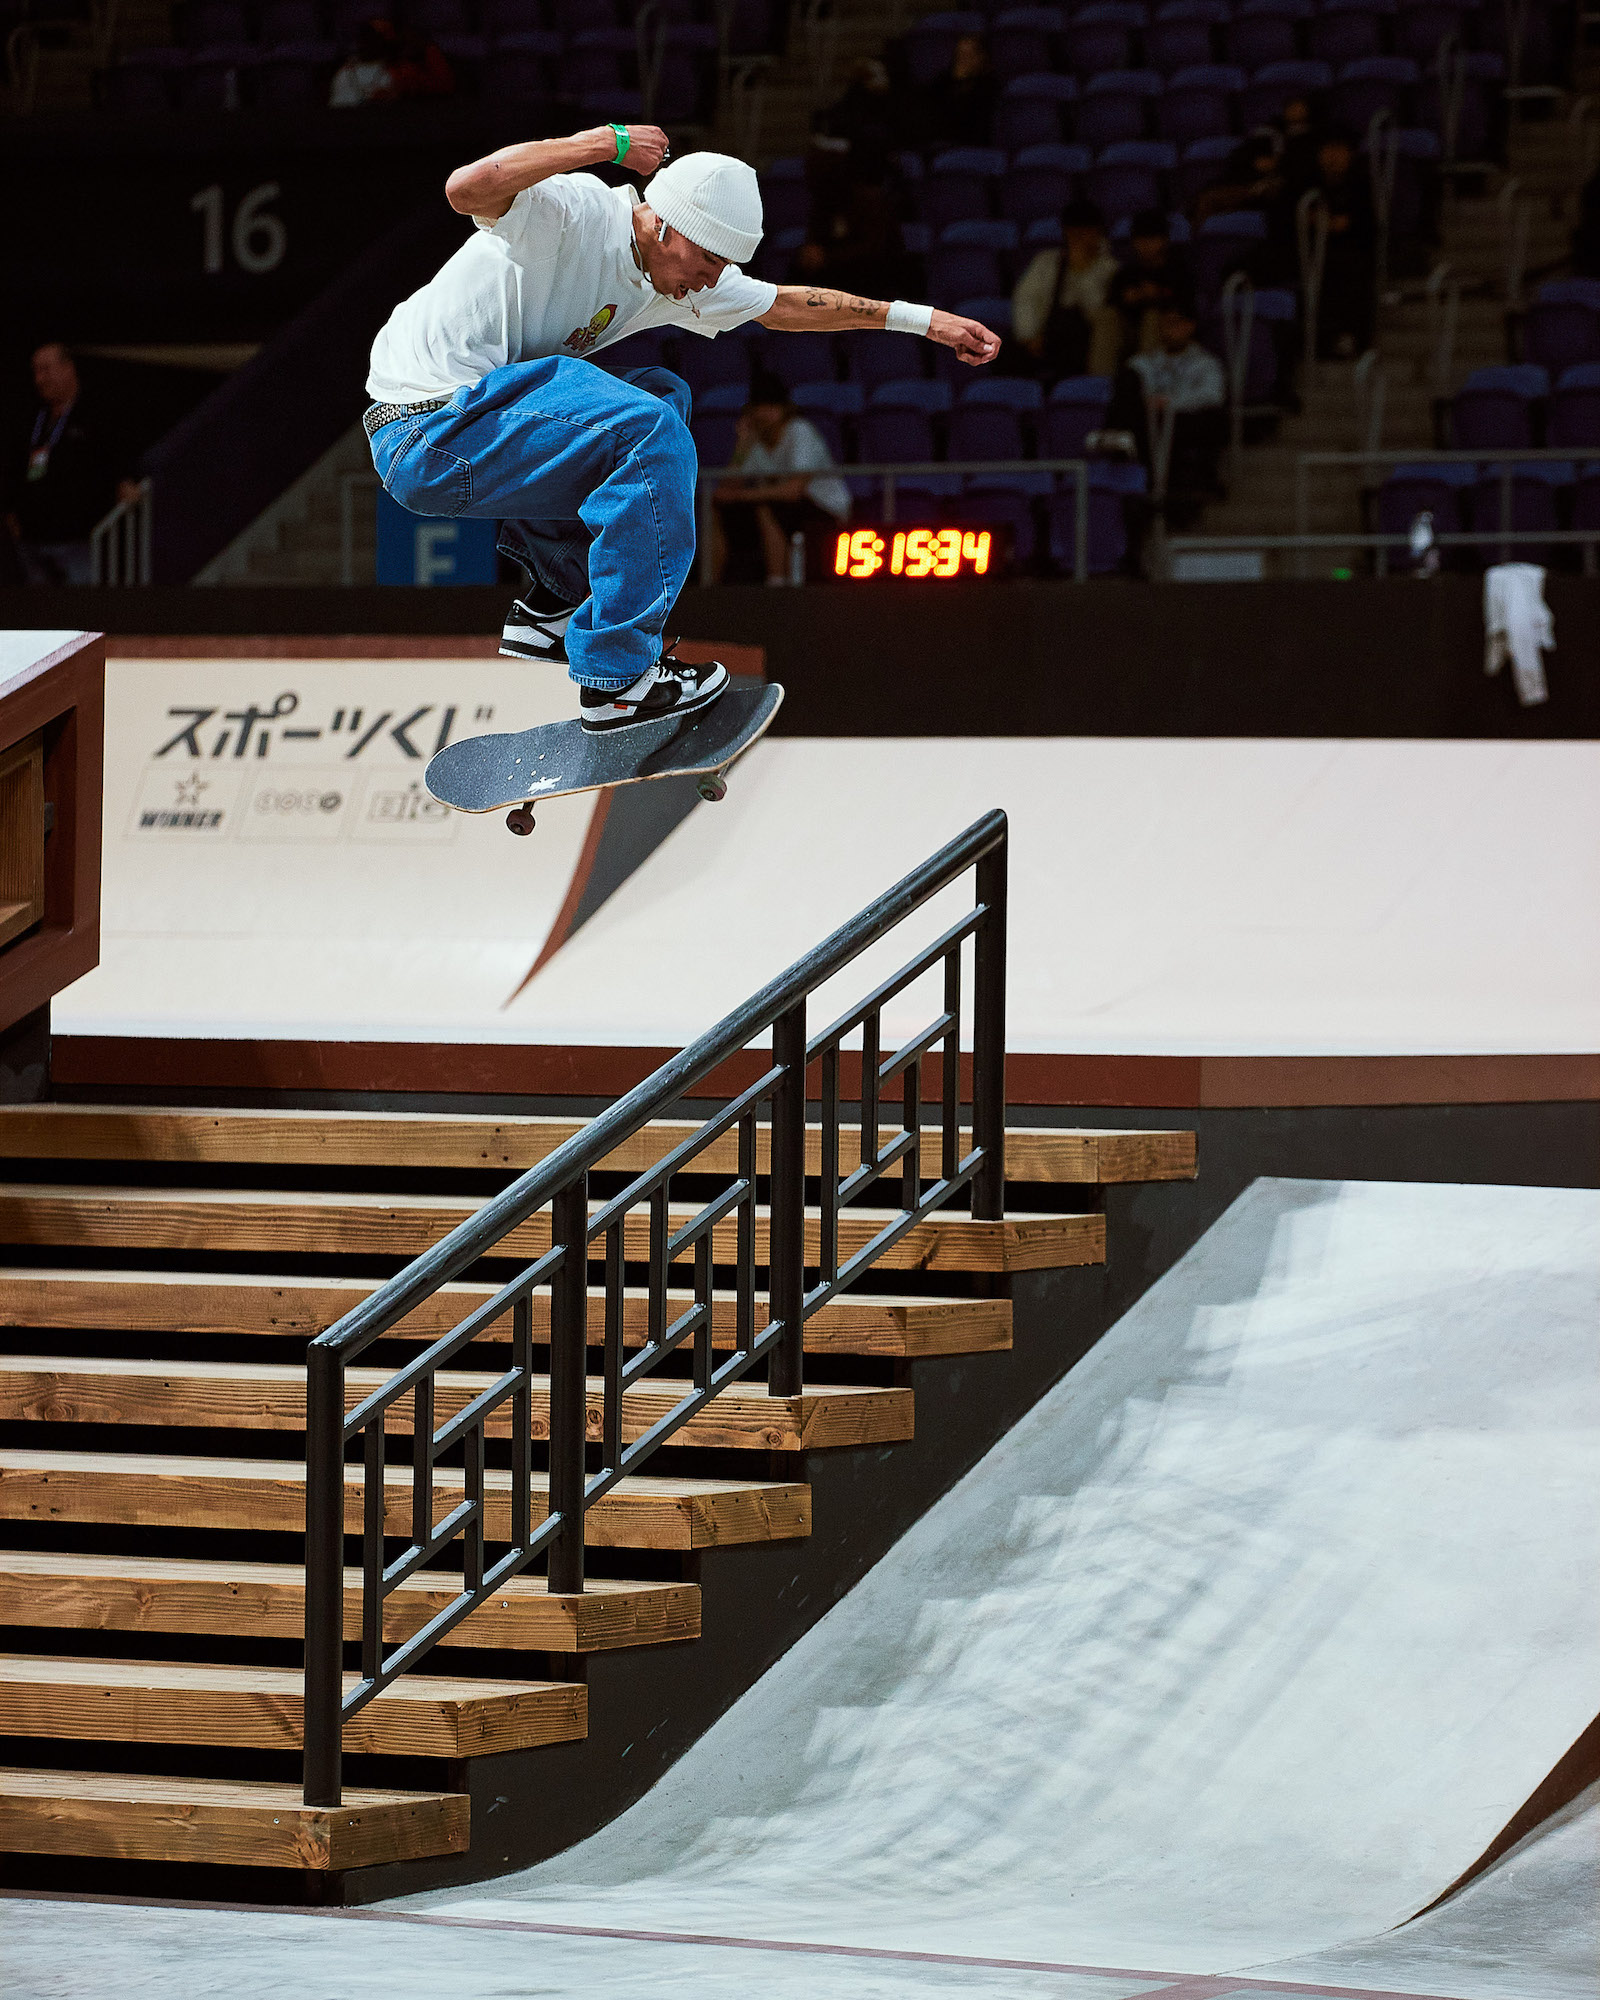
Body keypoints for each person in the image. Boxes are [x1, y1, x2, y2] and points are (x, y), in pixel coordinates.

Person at [366, 127, 999, 731]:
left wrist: (925, 321)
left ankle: (554, 605)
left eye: (724, 268)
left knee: (662, 395)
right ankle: (618, 682)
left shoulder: (682, 277)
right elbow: (465, 189)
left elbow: (784, 305)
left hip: (482, 431)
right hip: (430, 428)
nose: (710, 280)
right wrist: (605, 143)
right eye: (708, 261)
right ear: (665, 225)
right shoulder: (577, 211)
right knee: (647, 430)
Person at [4, 343, 136, 586]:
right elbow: (15, 466)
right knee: (39, 617)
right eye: (36, 372)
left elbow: (115, 456)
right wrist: (11, 509)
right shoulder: (33, 416)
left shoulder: (95, 412)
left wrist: (124, 481)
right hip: (32, 541)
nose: (40, 379)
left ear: (68, 368)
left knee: (80, 612)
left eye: (46, 370)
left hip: (76, 541)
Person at [711, 371, 851, 583]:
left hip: (826, 509)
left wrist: (741, 496)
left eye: (771, 406)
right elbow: (726, 490)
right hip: (785, 508)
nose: (765, 413)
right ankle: (711, 584)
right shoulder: (756, 444)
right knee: (719, 508)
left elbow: (793, 492)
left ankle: (776, 584)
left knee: (766, 506)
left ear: (784, 409)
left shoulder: (799, 431)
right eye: (760, 407)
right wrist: (741, 445)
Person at [1106, 301, 1227, 518]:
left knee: (1202, 420)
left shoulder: (1205, 363)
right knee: (1127, 387)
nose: (1168, 331)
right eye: (1164, 325)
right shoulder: (1148, 361)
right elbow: (1133, 378)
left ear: (1189, 326)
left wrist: (1170, 402)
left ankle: (1177, 492)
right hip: (1148, 423)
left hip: (1184, 423)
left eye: (1175, 324)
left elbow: (1213, 395)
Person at [1011, 200, 1122, 379]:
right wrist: (1029, 335)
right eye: (1073, 232)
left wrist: (1081, 270)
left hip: (1084, 338)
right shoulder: (1046, 261)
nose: (1078, 238)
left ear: (1097, 233)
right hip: (1045, 334)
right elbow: (1025, 299)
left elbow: (1096, 310)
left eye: (1084, 233)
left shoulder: (1109, 268)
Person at [1303, 128, 1376, 357]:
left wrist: (1321, 222)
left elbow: (1347, 224)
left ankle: (1353, 338)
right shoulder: (1311, 185)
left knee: (1347, 271)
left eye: (1338, 150)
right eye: (1327, 150)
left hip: (1352, 251)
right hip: (1313, 252)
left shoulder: (1360, 185)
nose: (1332, 157)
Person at [1106, 210, 1194, 358]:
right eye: (1140, 239)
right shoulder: (1127, 272)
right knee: (1108, 316)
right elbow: (1113, 300)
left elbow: (1186, 304)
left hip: (1167, 331)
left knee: (1152, 316)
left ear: (1164, 240)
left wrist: (1158, 295)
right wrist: (1130, 298)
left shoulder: (1179, 270)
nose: (1145, 244)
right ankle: (1100, 379)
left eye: (1152, 239)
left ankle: (1147, 376)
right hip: (1129, 331)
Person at [917, 33, 997, 148]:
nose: (963, 61)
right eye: (960, 55)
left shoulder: (990, 86)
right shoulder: (941, 83)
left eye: (969, 55)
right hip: (942, 143)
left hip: (973, 144)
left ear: (982, 57)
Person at [329, 18, 397, 106]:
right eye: (365, 36)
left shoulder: (397, 72)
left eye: (375, 37)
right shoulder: (345, 73)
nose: (367, 42)